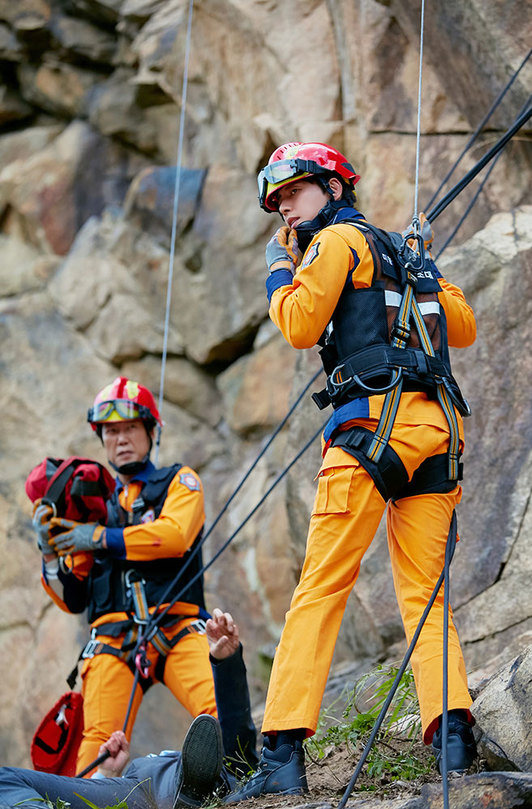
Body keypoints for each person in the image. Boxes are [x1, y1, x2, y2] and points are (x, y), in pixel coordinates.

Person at [225, 142, 478, 800]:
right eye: (276, 200)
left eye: (294, 190)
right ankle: (454, 736)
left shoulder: (335, 243)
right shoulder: (400, 253)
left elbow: (302, 324)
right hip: (436, 433)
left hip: (370, 429)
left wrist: (282, 269)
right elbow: (463, 324)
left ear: (335, 188)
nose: (283, 205)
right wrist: (425, 271)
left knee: (321, 586)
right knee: (426, 594)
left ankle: (280, 749)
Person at [35, 376, 219, 774]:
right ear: (101, 439)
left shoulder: (179, 482)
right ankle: (93, 795)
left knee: (219, 709)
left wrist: (100, 537)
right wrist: (50, 554)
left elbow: (174, 536)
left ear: (152, 432)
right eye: (111, 431)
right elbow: (72, 598)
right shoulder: (89, 507)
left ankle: (227, 780)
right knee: (100, 744)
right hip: (111, 642)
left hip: (177, 626)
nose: (120, 439)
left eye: (131, 428)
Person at [0, 609, 258, 809]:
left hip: (170, 785)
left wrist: (227, 663)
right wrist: (105, 773)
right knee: (4, 778)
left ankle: (195, 786)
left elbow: (239, 747)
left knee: (222, 751)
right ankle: (194, 783)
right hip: (128, 786)